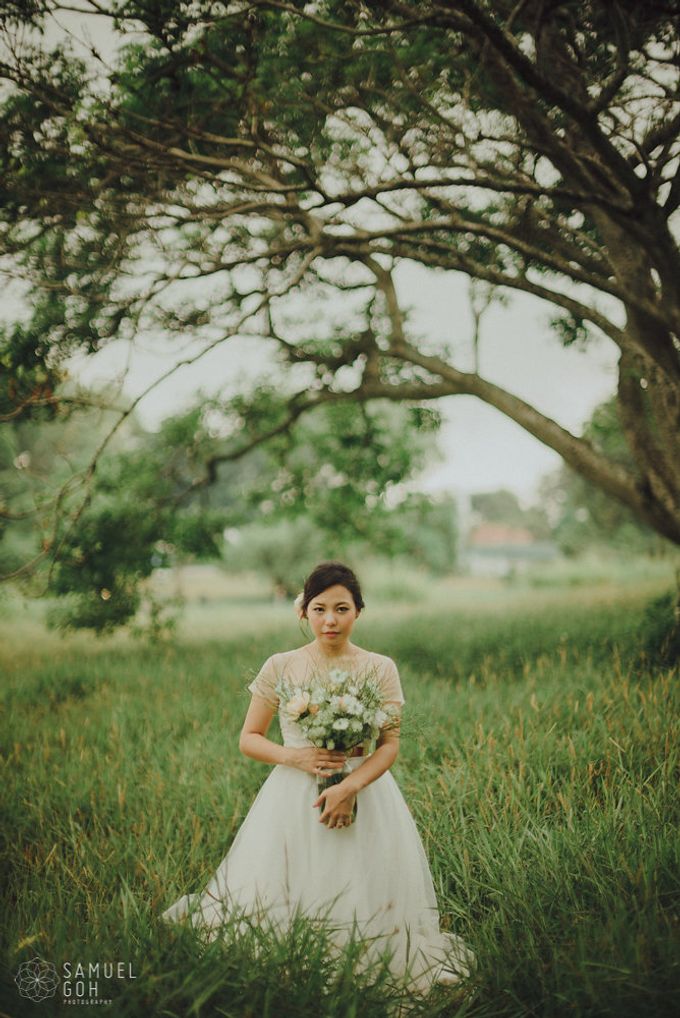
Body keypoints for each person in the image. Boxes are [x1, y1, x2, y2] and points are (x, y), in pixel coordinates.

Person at [161, 561, 475, 995]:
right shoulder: (281, 665)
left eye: (342, 608)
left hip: (365, 790)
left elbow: (389, 746)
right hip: (292, 793)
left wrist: (347, 786)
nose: (330, 620)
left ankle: (368, 952)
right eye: (320, 608)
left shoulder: (379, 667)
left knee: (362, 879)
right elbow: (249, 739)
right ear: (303, 612)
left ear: (358, 612)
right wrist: (296, 758)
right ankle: (297, 955)